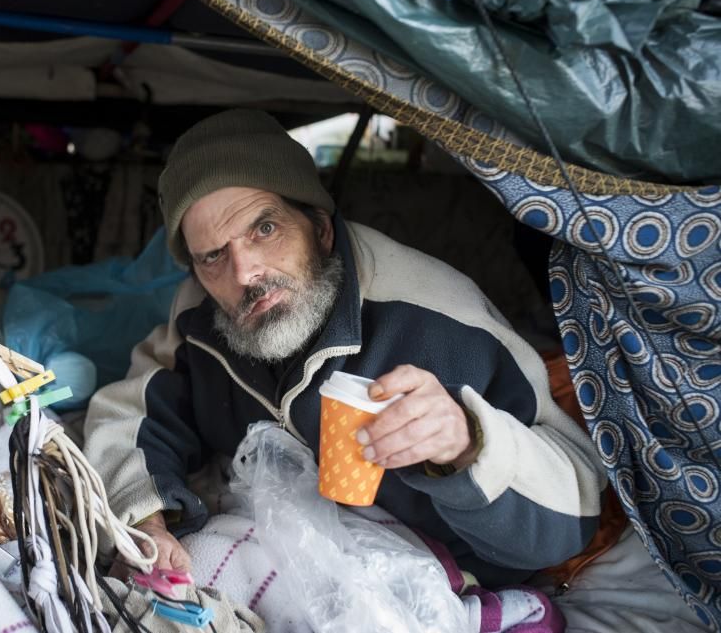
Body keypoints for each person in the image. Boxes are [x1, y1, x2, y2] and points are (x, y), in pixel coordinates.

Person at [83, 108, 605, 588]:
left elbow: (575, 516)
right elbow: (134, 408)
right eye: (213, 255)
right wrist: (146, 515)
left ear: (321, 229)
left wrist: (468, 444)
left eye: (265, 228)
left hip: (440, 589)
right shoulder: (203, 310)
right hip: (286, 570)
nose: (245, 274)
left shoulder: (439, 322)